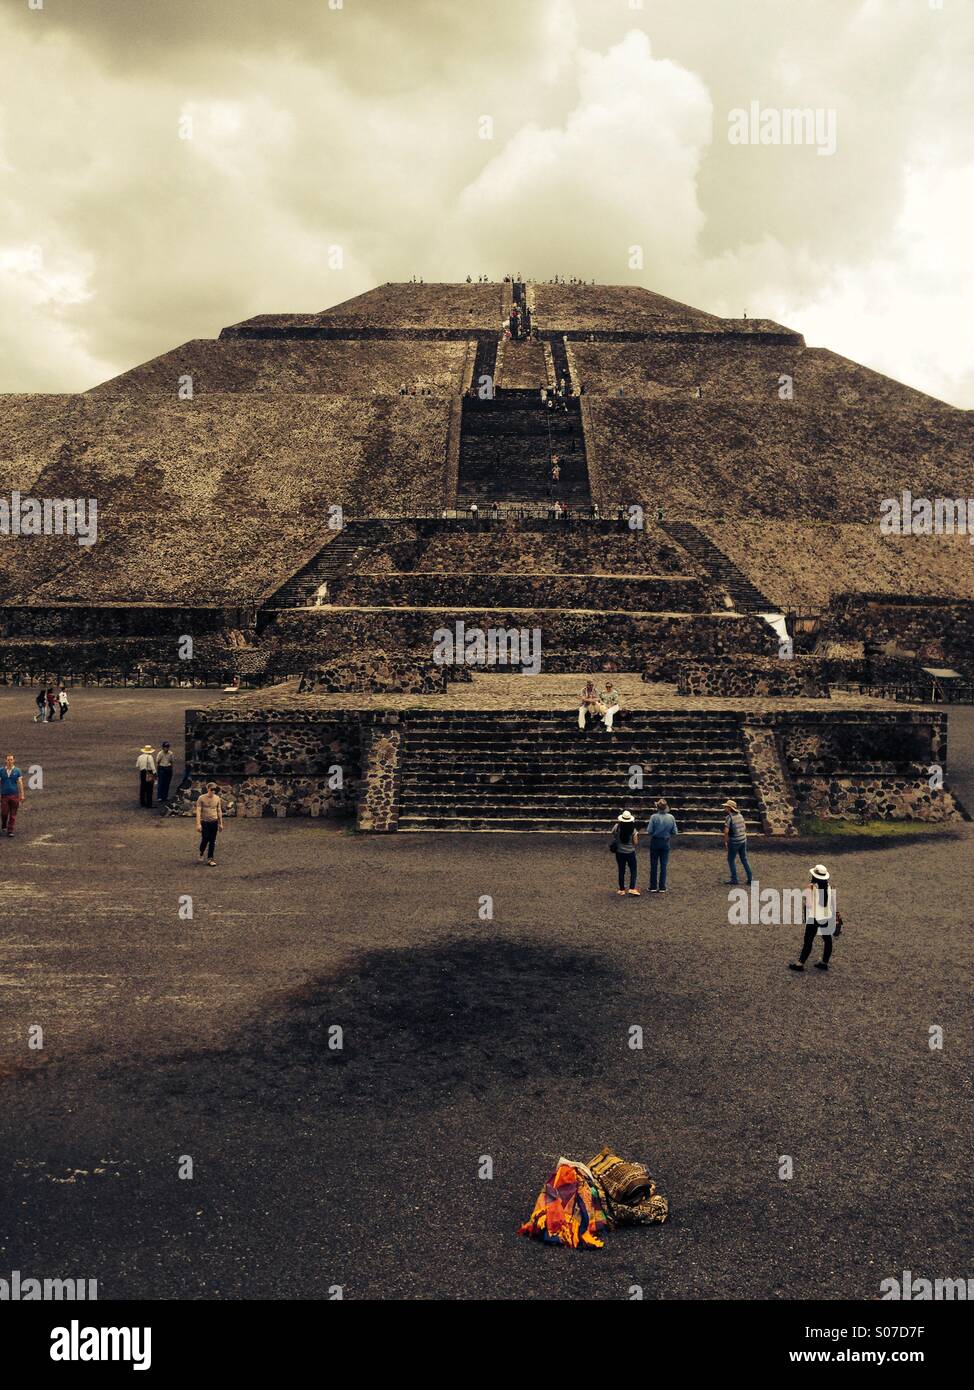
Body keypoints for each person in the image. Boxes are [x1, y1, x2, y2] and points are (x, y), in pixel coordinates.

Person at [789, 864, 842, 972]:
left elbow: (808, 905)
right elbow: (831, 903)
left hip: (813, 917)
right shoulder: (829, 886)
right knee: (827, 940)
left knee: (808, 939)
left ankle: (800, 964)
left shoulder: (811, 887)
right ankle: (824, 962)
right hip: (826, 916)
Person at [646, 798, 678, 893]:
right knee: (663, 865)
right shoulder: (671, 817)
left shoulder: (653, 817)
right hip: (665, 841)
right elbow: (674, 832)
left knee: (654, 865)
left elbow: (649, 831)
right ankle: (662, 886)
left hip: (655, 841)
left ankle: (653, 886)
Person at [723, 798, 752, 885]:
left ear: (730, 808)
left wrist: (725, 841)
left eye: (726, 807)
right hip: (743, 839)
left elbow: (726, 831)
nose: (725, 808)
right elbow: (744, 827)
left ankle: (734, 879)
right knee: (744, 859)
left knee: (730, 859)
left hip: (734, 841)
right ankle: (750, 878)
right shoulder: (740, 815)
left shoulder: (729, 817)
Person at [611, 810, 639, 896]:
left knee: (621, 870)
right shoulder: (632, 829)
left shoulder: (617, 827)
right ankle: (632, 888)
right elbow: (635, 842)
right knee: (633, 870)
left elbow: (613, 834)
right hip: (630, 852)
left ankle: (622, 889)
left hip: (620, 852)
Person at [195, 782, 224, 866]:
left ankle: (210, 858)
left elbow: (219, 810)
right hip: (205, 822)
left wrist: (220, 823)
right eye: (212, 790)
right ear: (208, 789)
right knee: (205, 838)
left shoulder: (217, 798)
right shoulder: (201, 798)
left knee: (212, 840)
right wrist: (198, 824)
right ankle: (201, 852)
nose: (213, 792)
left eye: (215, 790)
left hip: (214, 821)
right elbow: (198, 811)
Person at [0, 753, 24, 837]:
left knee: (13, 814)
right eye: (8, 759)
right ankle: (4, 824)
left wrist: (22, 795)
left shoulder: (17, 771)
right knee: (4, 812)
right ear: (5, 760)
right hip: (4, 795)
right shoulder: (1, 770)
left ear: (14, 760)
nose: (9, 761)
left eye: (11, 759)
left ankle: (10, 830)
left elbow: (20, 783)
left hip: (14, 795)